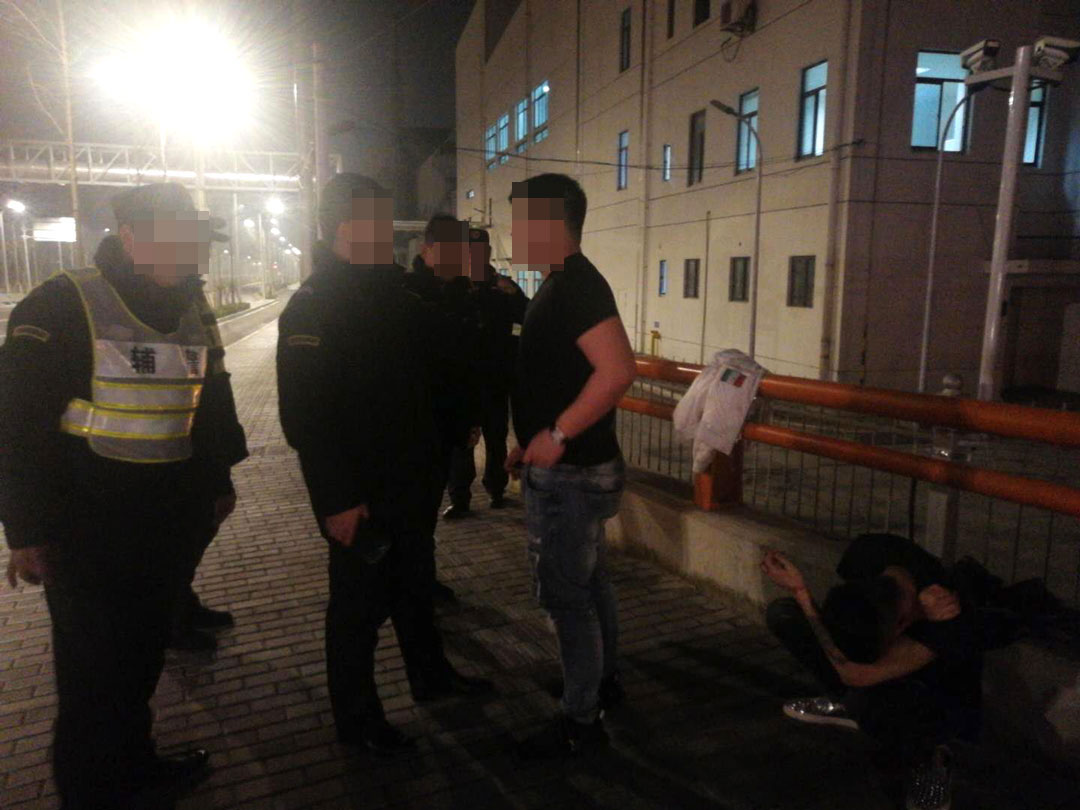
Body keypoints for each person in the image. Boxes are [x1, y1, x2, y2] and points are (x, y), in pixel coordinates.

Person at [0, 182, 248, 808]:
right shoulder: (62, 305)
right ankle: (92, 792)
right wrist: (26, 532)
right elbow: (16, 428)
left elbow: (208, 403)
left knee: (139, 660)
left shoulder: (190, 308)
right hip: (87, 534)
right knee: (92, 680)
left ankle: (134, 767)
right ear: (131, 238)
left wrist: (217, 482)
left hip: (163, 526)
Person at [276, 174, 493, 756]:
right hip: (361, 493)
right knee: (356, 611)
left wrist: (455, 429)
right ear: (346, 227)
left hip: (413, 481)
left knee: (414, 588)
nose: (389, 234)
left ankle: (431, 676)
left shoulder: (395, 295)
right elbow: (305, 418)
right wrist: (336, 500)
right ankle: (359, 722)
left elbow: (439, 370)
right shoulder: (312, 307)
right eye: (377, 222)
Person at [506, 173, 638, 759]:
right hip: (577, 468)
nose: (513, 232)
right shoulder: (562, 283)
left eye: (521, 220)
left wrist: (557, 435)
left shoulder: (575, 284)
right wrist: (532, 439)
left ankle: (581, 719)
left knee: (567, 596)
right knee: (589, 584)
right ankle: (601, 681)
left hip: (573, 476)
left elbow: (618, 370)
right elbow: (565, 374)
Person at [93, 233, 242, 653]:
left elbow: (210, 370)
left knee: (199, 525)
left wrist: (224, 444)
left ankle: (180, 603)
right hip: (158, 447)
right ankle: (170, 617)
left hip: (196, 432)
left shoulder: (185, 292)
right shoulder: (130, 300)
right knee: (179, 535)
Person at [762, 533, 983, 810]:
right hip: (874, 666)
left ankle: (931, 758)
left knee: (871, 704)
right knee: (784, 614)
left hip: (934, 698)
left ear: (902, 623)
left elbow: (854, 674)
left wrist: (803, 594)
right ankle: (846, 702)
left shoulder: (944, 611)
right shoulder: (865, 557)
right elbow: (848, 637)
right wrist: (799, 589)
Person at [444, 227, 528, 514]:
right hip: (463, 380)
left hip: (495, 378)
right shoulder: (454, 288)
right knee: (461, 440)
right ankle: (459, 498)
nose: (475, 255)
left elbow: (529, 316)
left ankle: (496, 489)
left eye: (480, 250)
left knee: (495, 438)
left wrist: (514, 295)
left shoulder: (503, 287)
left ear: (488, 253)